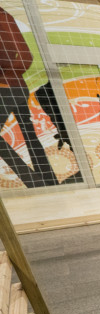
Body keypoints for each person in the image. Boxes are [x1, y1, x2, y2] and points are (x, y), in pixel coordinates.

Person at [0, 5, 57, 188]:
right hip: (15, 87)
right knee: (30, 135)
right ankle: (48, 183)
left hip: (8, 88)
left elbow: (25, 57)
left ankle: (35, 182)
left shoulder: (2, 17)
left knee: (30, 135)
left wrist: (4, 77)